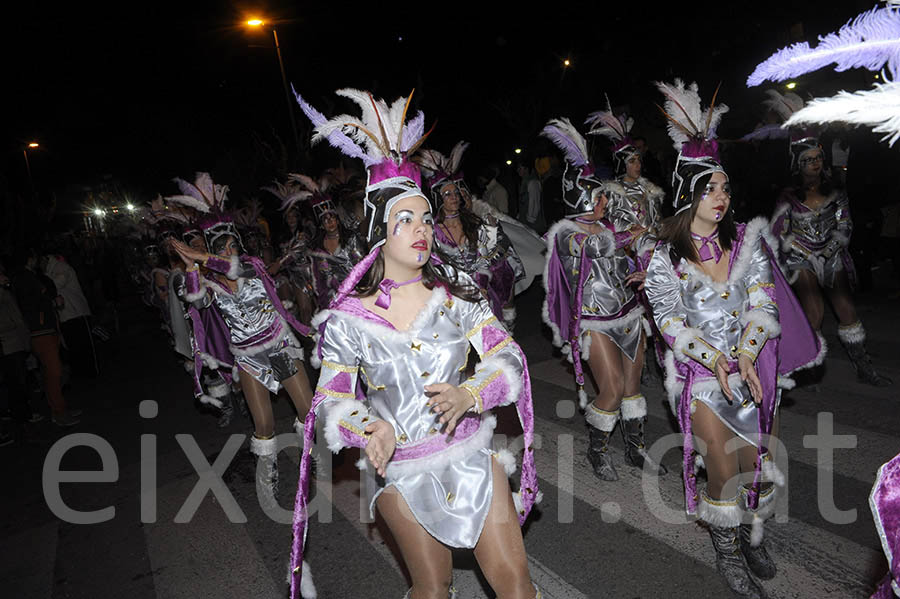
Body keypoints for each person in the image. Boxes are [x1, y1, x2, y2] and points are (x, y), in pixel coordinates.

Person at [292, 88, 541, 599]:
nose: (423, 229)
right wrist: (369, 428)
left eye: (425, 217)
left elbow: (507, 355)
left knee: (516, 586)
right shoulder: (347, 320)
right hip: (400, 468)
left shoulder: (457, 296)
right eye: (406, 219)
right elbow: (332, 398)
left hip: (471, 456)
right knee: (433, 588)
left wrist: (472, 394)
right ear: (380, 231)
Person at [646, 79, 821, 599]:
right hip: (704, 376)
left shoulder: (749, 241)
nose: (722, 198)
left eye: (725, 188)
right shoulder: (665, 258)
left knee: (757, 468)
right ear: (688, 196)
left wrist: (745, 354)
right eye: (711, 189)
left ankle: (750, 534)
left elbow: (764, 304)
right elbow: (671, 324)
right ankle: (728, 552)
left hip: (755, 368)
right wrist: (719, 360)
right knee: (722, 472)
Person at [167, 172, 314, 497]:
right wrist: (191, 267)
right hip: (248, 358)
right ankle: (269, 474)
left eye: (233, 244)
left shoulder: (251, 265)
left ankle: (308, 461)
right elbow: (195, 300)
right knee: (263, 425)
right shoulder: (212, 283)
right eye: (224, 247)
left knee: (307, 413)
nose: (231, 250)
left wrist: (203, 258)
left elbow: (239, 269)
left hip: (278, 347)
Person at [541, 117, 667, 481]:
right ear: (581, 196)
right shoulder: (567, 233)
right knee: (610, 389)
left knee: (632, 389)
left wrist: (659, 239)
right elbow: (598, 247)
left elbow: (643, 244)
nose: (604, 201)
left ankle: (635, 449)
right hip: (595, 322)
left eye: (603, 196)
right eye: (598, 196)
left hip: (629, 314)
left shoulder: (611, 226)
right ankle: (596, 451)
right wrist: (634, 235)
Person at [771, 129, 891, 386]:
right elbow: (778, 231)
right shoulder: (788, 195)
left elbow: (845, 223)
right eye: (809, 159)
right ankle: (807, 368)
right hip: (800, 258)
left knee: (846, 310)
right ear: (798, 165)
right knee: (814, 313)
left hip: (831, 254)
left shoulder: (836, 188)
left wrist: (828, 251)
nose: (816, 163)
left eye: (819, 157)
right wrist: (802, 252)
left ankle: (864, 367)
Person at [417, 142, 527, 330]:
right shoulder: (431, 232)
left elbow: (487, 258)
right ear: (437, 199)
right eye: (447, 194)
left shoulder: (475, 224)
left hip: (483, 293)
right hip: (453, 300)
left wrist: (481, 284)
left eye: (456, 192)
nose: (455, 197)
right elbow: (432, 269)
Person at [13, 248, 81, 426]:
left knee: (53, 371)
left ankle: (60, 408)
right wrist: (51, 301)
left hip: (45, 328)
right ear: (30, 258)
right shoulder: (24, 278)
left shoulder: (29, 277)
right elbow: (32, 302)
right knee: (54, 371)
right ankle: (59, 412)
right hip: (40, 330)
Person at [44, 252, 97, 378]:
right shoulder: (48, 272)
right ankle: (82, 374)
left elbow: (56, 284)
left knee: (84, 346)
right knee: (74, 347)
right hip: (65, 315)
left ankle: (92, 372)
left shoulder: (62, 268)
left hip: (77, 313)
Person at [516, 159, 545, 233]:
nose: (518, 170)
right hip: (525, 221)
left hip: (533, 224)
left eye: (520, 168)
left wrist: (530, 221)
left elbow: (534, 203)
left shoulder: (533, 182)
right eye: (517, 168)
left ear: (527, 169)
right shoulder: (524, 182)